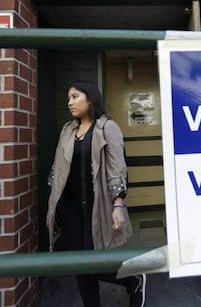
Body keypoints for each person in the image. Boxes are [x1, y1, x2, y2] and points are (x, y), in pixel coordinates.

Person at [46, 80, 143, 307]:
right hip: (71, 208)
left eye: (75, 97)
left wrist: (118, 204)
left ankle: (133, 279)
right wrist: (52, 206)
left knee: (94, 261)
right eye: (68, 98)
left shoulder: (107, 127)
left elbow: (117, 168)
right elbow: (57, 168)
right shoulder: (67, 130)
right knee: (79, 263)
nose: (70, 102)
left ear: (90, 99)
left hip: (96, 206)